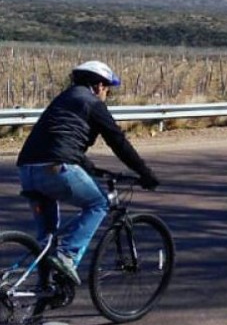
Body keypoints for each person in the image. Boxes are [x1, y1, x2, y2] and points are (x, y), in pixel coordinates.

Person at [16, 60, 160, 286]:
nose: (107, 94)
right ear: (99, 85)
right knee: (99, 204)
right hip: (56, 169)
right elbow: (118, 141)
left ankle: (44, 291)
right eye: (107, 89)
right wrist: (145, 172)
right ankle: (68, 255)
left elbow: (63, 141)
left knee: (46, 241)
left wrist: (92, 169)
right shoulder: (92, 103)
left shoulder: (64, 100)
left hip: (27, 170)